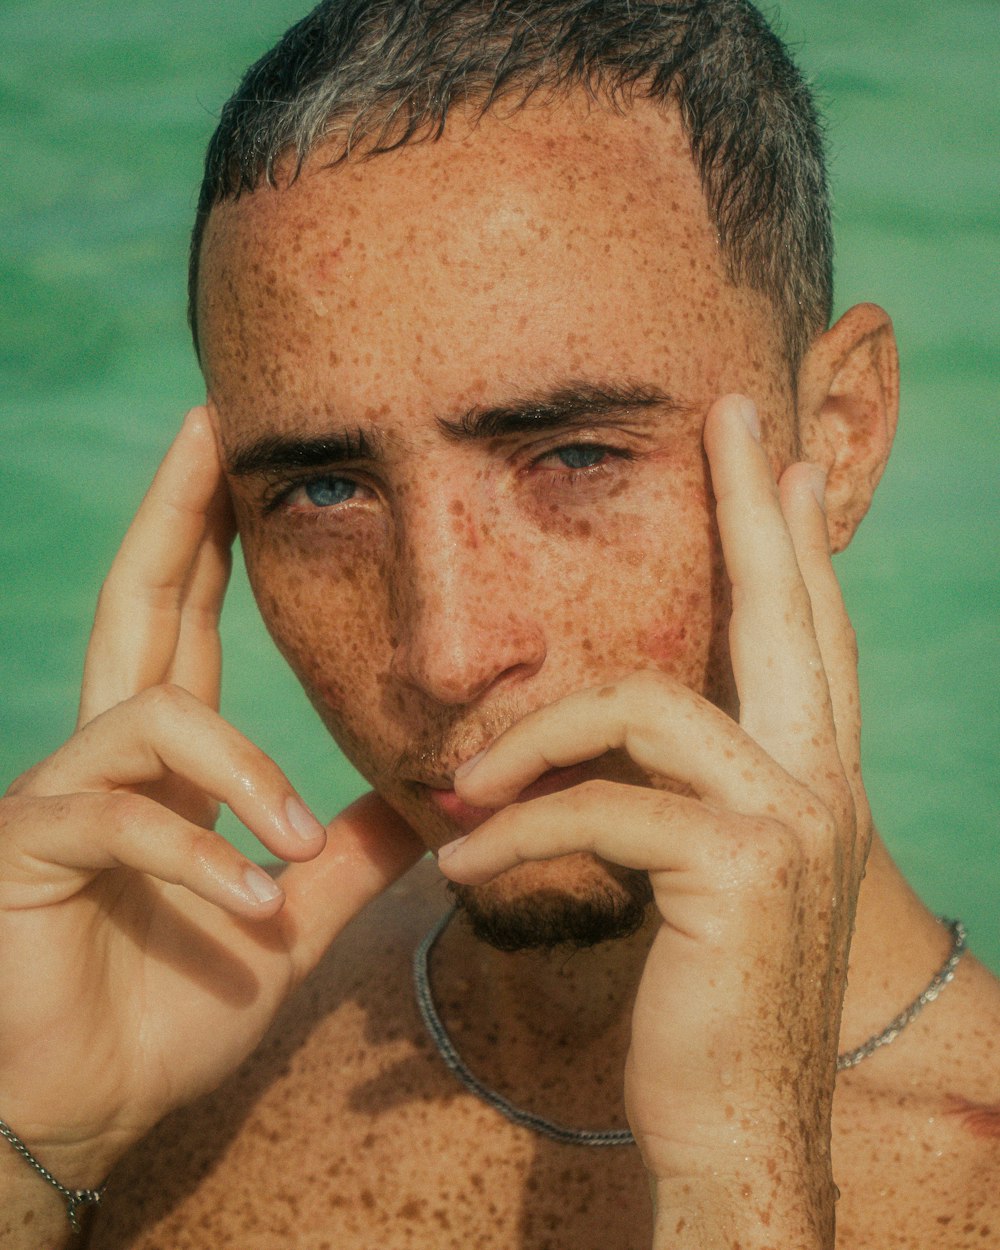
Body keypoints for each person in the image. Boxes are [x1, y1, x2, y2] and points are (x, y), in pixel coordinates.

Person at [1, 1, 997, 1246]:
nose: (447, 651)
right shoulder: (157, 1049)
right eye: (324, 490)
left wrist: (742, 1187)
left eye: (575, 455)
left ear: (840, 436)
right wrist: (37, 1138)